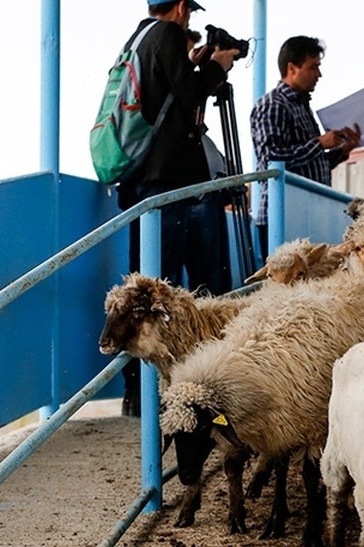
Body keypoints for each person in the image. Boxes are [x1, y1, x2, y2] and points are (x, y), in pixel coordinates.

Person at [116, 0, 238, 416]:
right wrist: (218, 66)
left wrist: (197, 63)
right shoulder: (166, 33)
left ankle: (136, 391)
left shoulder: (139, 37)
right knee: (157, 288)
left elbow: (170, 88)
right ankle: (162, 390)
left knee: (145, 281)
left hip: (142, 179)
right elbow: (188, 93)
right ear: (182, 6)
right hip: (166, 179)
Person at [251, 36, 361, 260]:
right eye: (313, 67)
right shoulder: (274, 105)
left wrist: (341, 152)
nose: (318, 75)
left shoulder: (301, 106)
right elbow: (272, 159)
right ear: (292, 68)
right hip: (282, 218)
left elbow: (308, 166)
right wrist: (319, 143)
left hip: (304, 216)